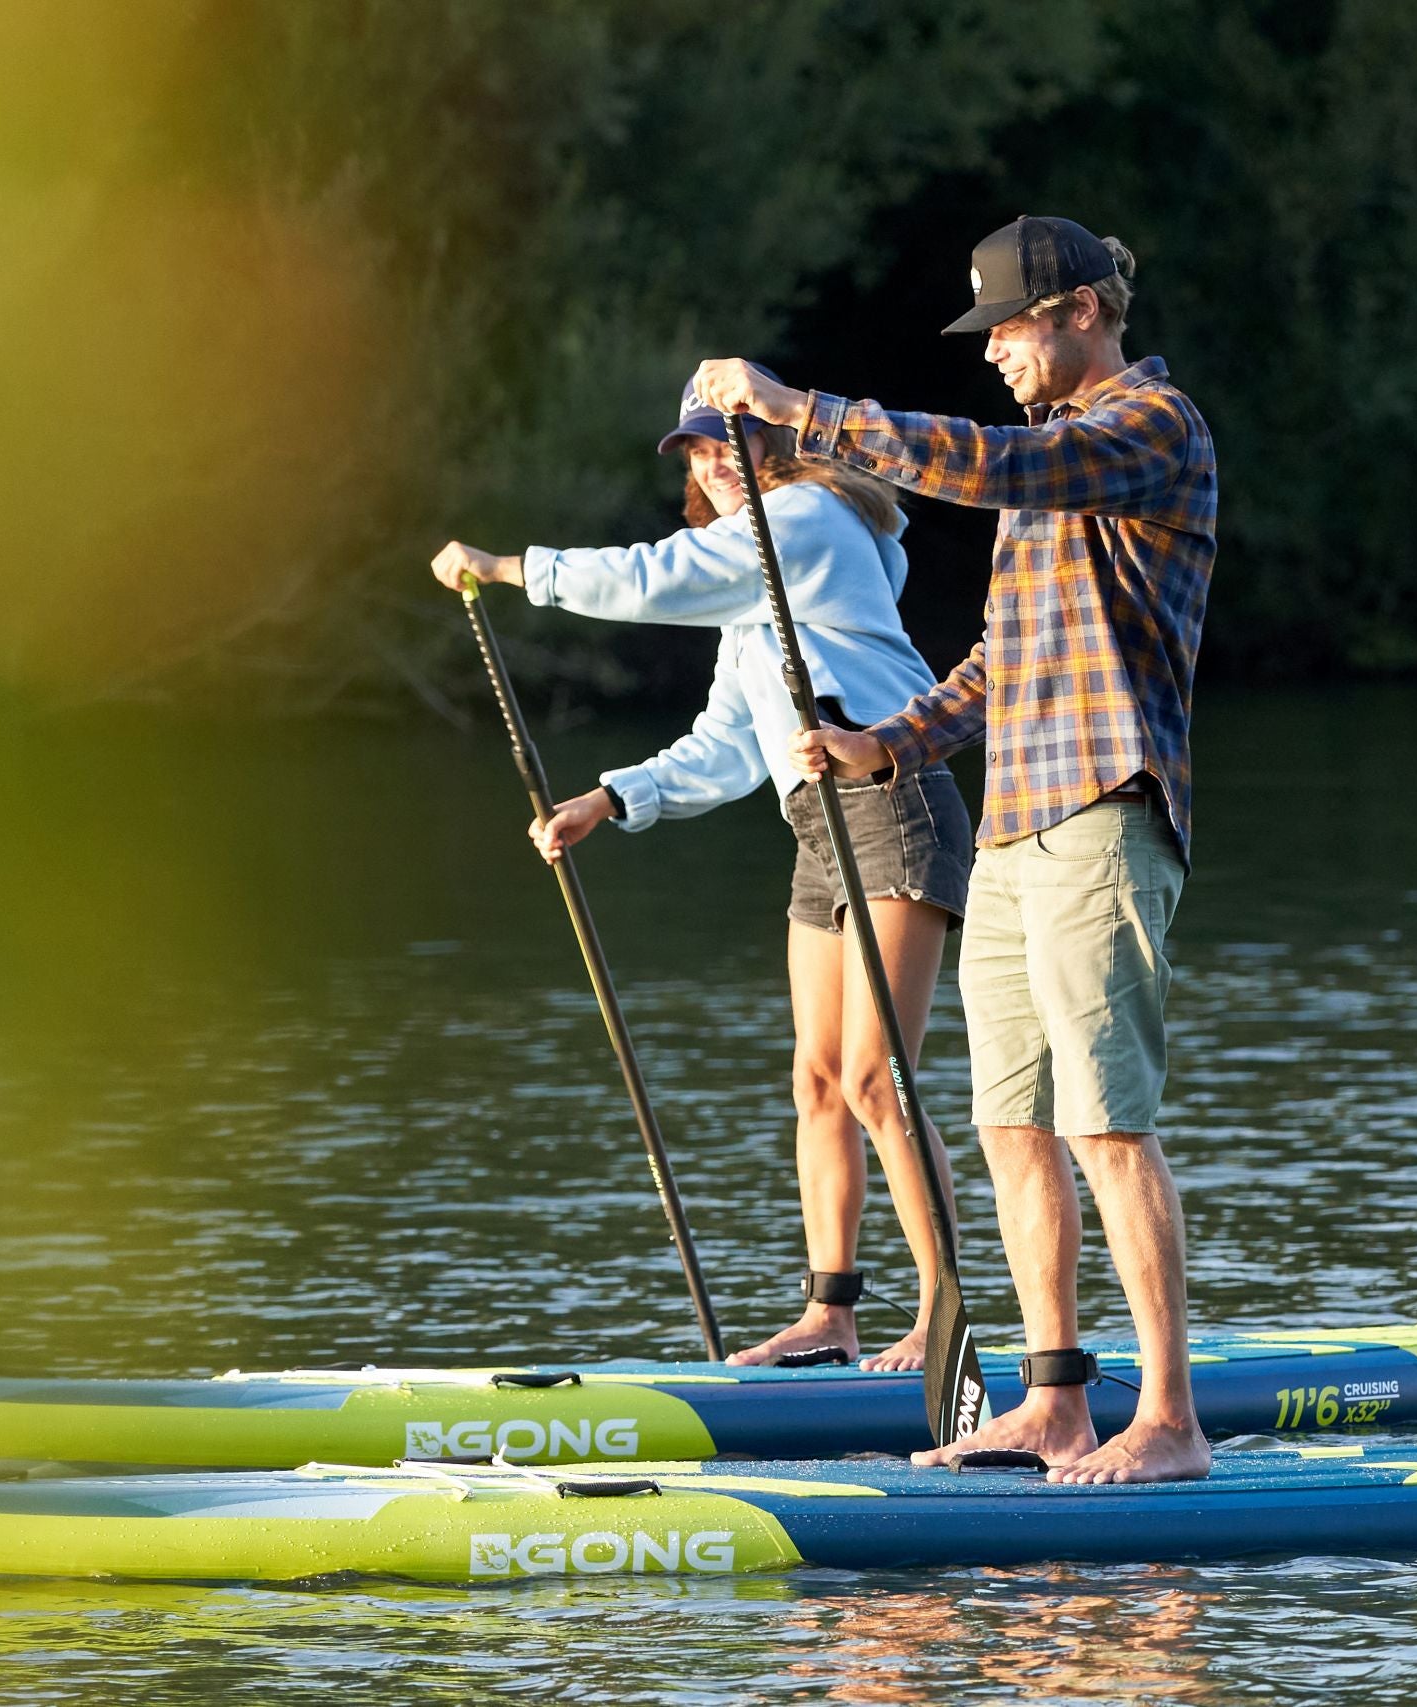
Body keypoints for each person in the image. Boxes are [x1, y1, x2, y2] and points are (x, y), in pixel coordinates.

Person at [693, 215, 1218, 1482]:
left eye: (1011, 329)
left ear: (1084, 312)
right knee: (1012, 1127)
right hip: (1010, 830)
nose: (993, 354)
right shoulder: (1048, 458)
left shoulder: (1149, 431)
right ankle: (1053, 1400)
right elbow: (999, 659)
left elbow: (983, 467)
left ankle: (1171, 1423)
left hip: (1104, 809)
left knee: (1106, 1128)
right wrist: (888, 746)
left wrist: (801, 411)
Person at [429, 371, 974, 1371]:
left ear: (780, 449)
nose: (713, 459)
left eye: (732, 441)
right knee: (815, 1081)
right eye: (697, 448)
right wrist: (612, 796)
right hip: (819, 822)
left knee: (874, 1078)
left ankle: (943, 1311)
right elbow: (726, 740)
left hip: (893, 799)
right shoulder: (750, 589)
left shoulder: (807, 518)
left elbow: (653, 579)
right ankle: (831, 1317)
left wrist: (512, 569)